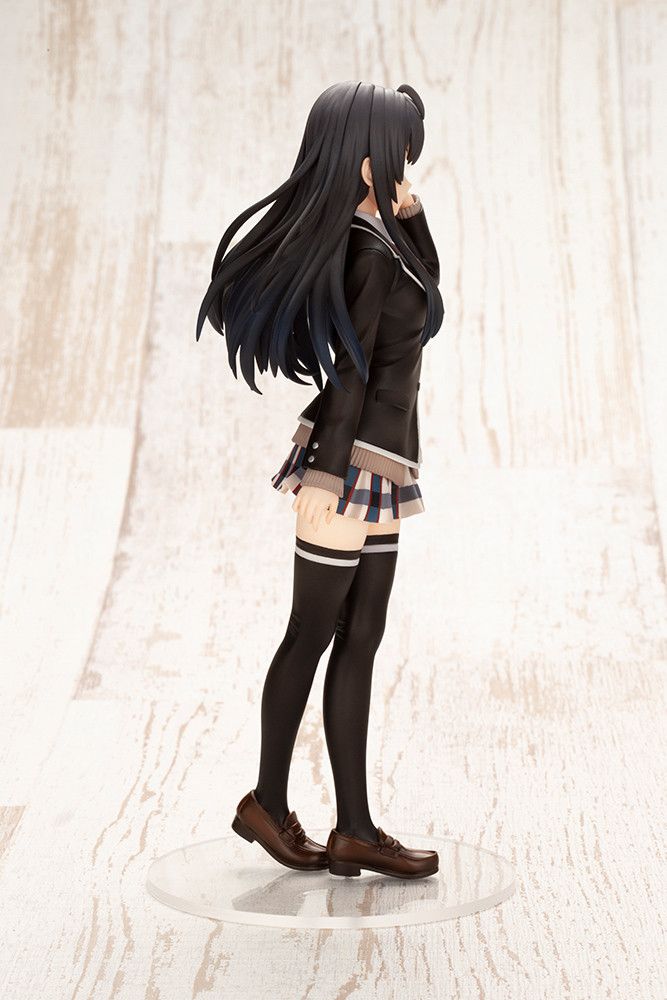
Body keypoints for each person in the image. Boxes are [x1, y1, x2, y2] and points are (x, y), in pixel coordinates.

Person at [196, 81, 445, 879]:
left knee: (360, 636)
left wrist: (414, 215)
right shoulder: (365, 252)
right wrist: (326, 476)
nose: (408, 163)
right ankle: (265, 804)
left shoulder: (383, 238)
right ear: (368, 157)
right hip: (349, 468)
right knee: (311, 632)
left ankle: (354, 829)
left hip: (382, 464)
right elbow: (348, 371)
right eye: (400, 149)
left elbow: (429, 303)